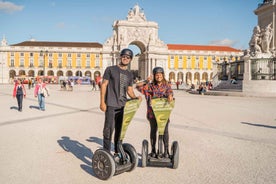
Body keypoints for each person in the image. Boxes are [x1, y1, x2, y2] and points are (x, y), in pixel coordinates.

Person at [100, 48, 142, 155]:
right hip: (111, 105)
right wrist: (102, 102)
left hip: (123, 106)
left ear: (130, 59)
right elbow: (104, 85)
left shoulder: (129, 74)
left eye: (128, 57)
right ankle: (106, 153)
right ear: (120, 57)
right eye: (124, 56)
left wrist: (135, 98)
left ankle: (117, 152)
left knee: (120, 131)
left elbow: (129, 90)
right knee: (108, 130)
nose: (125, 58)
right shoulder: (110, 69)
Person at [136, 67, 173, 158]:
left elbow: (170, 92)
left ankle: (166, 151)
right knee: (153, 131)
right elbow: (137, 87)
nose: (158, 76)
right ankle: (153, 150)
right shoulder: (150, 86)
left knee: (165, 132)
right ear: (154, 76)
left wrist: (170, 96)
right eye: (156, 74)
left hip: (164, 113)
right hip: (152, 114)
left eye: (160, 74)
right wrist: (146, 80)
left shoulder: (167, 86)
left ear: (163, 75)